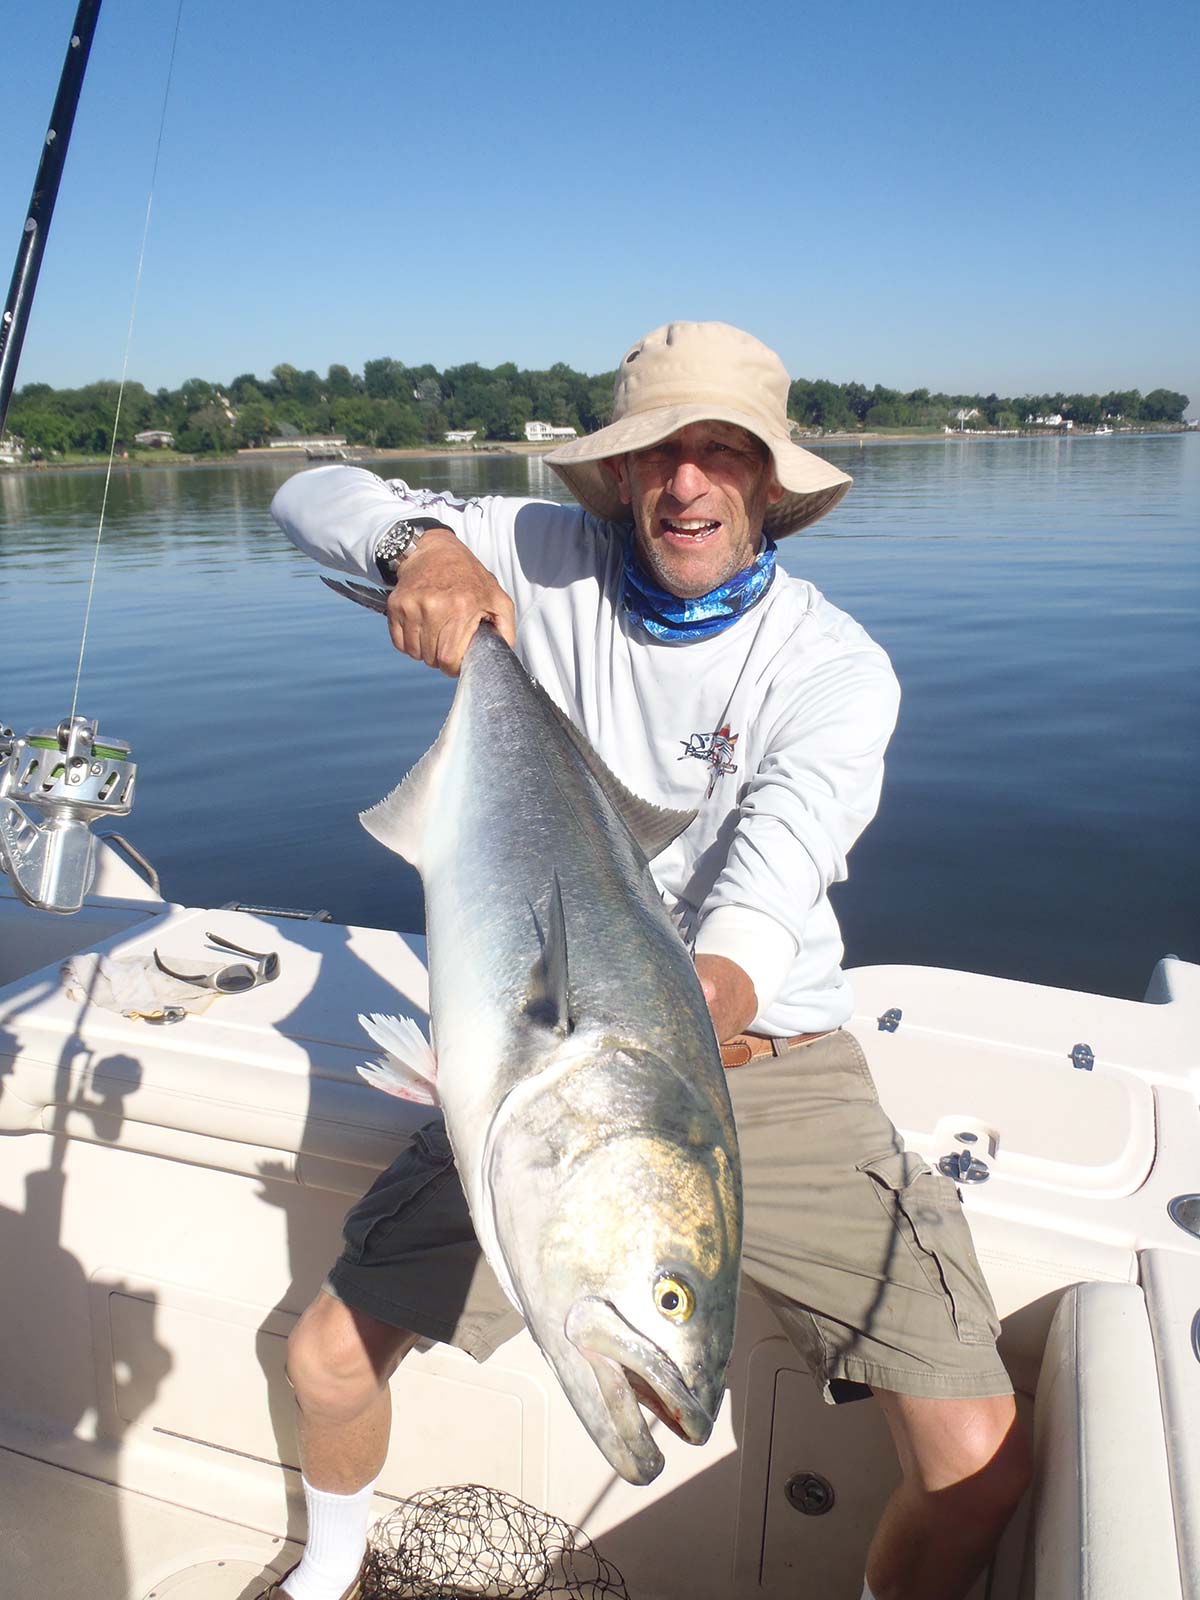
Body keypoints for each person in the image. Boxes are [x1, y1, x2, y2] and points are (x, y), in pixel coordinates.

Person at [267, 321, 1030, 1600]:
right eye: (659, 453)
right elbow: (306, 493)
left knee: (979, 1466)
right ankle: (324, 1578)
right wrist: (426, 548)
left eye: (723, 454)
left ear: (770, 485)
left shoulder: (833, 669)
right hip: (544, 1054)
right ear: (618, 475)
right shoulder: (533, 557)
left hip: (765, 1053)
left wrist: (689, 1007)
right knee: (329, 1359)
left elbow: (764, 893)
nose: (688, 483)